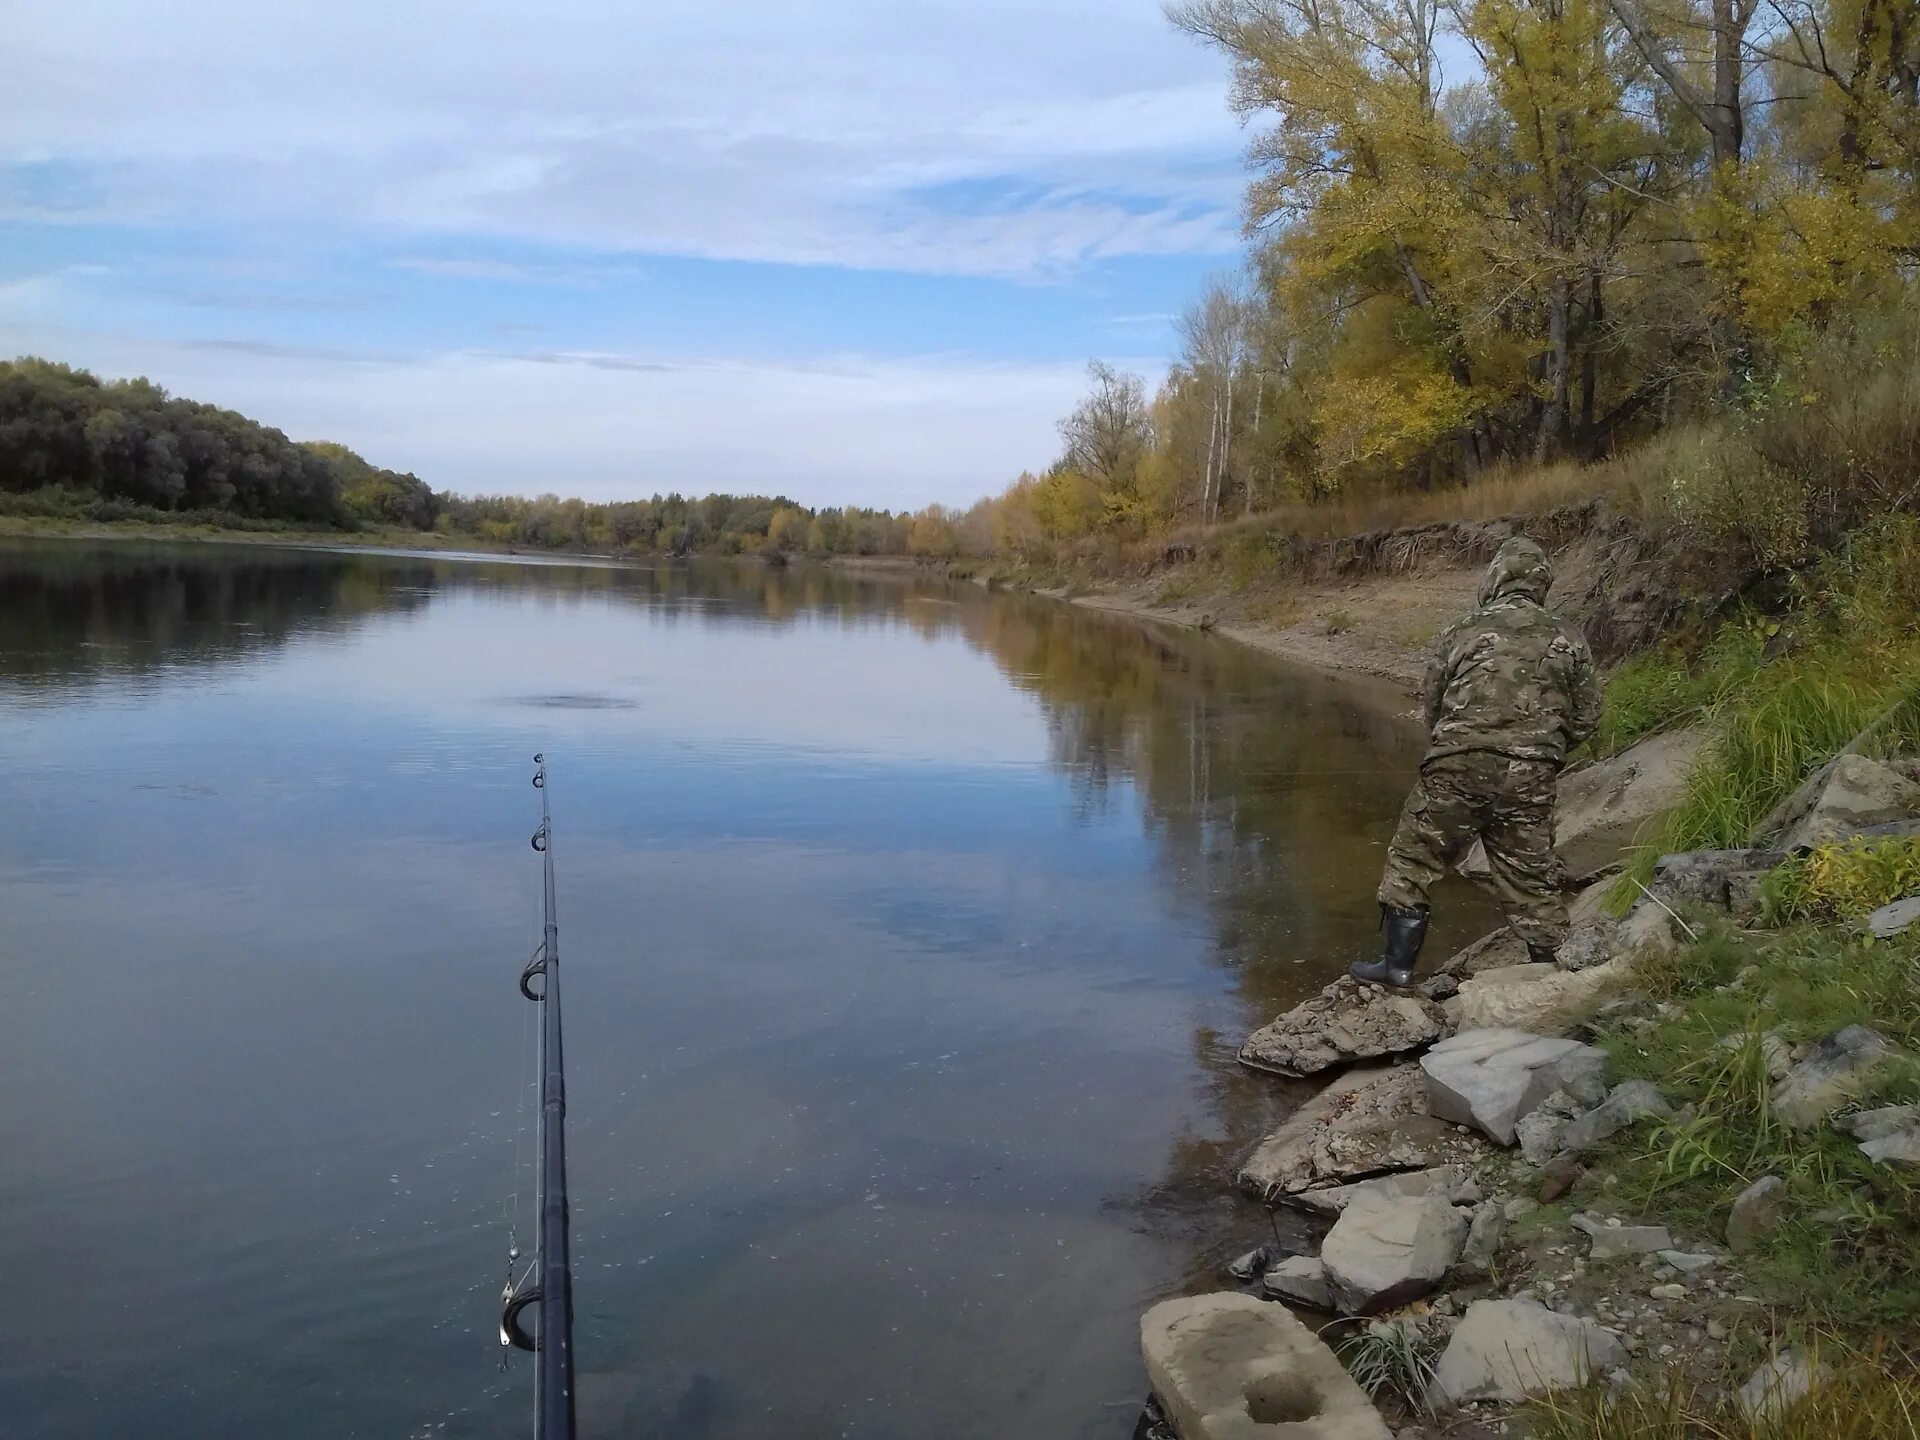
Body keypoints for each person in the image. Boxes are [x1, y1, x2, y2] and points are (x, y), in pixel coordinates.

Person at [1352, 535, 1602, 988]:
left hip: (1458, 766)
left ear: (1496, 577)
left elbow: (1433, 705)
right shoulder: (1570, 637)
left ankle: (1397, 967)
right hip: (1531, 775)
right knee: (1530, 875)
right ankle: (1552, 971)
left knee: (1414, 859)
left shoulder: (1463, 629)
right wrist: (1541, 752)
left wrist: (1460, 746)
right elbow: (1587, 718)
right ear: (1542, 582)